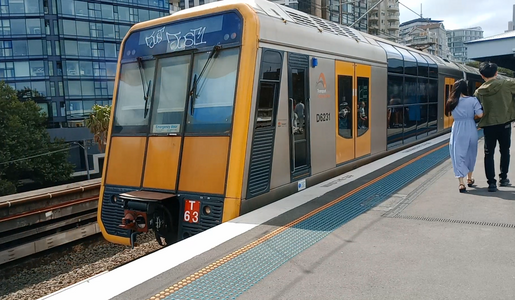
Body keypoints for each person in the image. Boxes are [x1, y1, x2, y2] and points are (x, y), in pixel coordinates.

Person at [474, 62, 515, 192]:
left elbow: (477, 111)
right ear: (496, 73)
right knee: (505, 151)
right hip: (505, 124)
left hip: (489, 126)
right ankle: (503, 178)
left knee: (489, 153)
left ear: (481, 75)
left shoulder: (478, 92)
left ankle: (491, 183)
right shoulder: (507, 84)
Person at [447, 79, 483, 193]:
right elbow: (480, 114)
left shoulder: (451, 101)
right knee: (470, 153)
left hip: (457, 128)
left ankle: (461, 183)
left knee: (458, 154)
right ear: (466, 88)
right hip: (470, 127)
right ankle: (469, 178)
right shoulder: (473, 100)